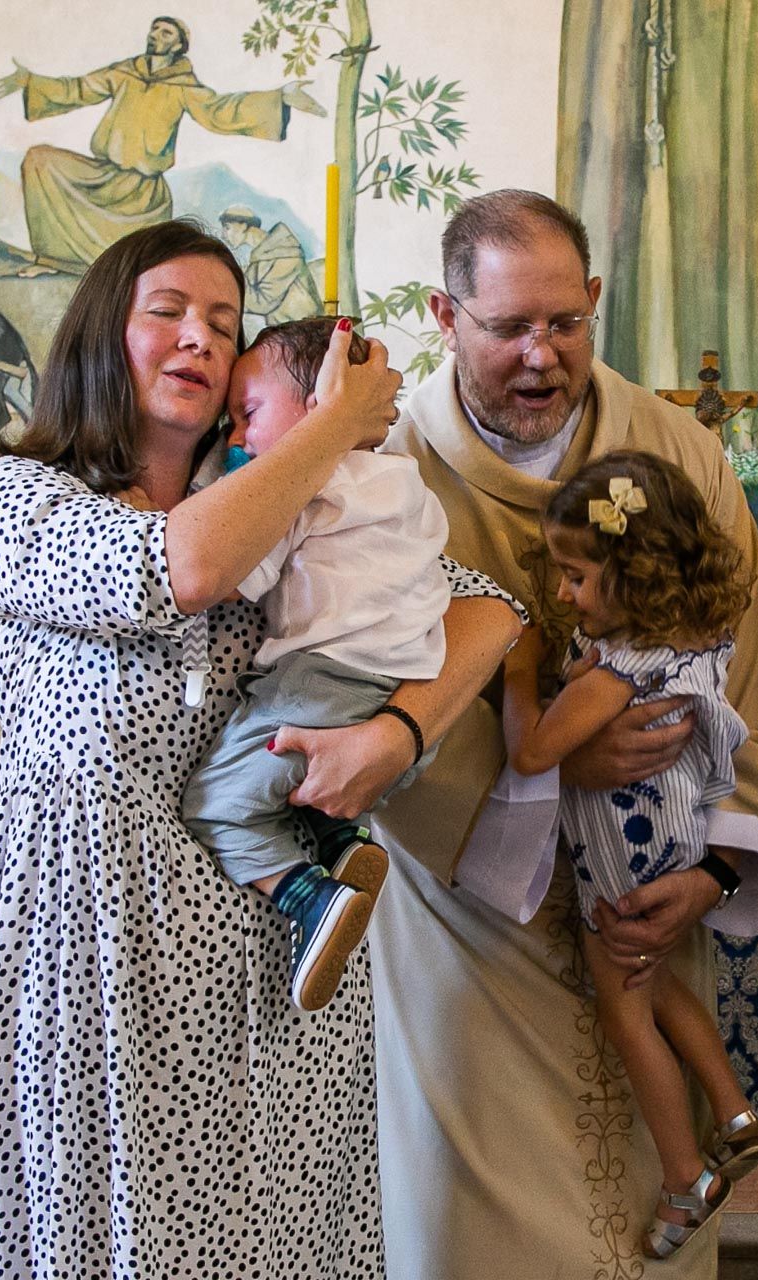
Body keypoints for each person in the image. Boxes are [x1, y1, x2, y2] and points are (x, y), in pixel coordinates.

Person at [0, 218, 521, 1279]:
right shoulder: (12, 499)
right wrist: (338, 419)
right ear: (99, 334)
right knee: (114, 1229)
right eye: (167, 311)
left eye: (223, 322)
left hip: (279, 933)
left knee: (277, 1224)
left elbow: (487, 610)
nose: (199, 338)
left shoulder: (299, 508)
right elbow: (186, 570)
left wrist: (396, 733)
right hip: (100, 931)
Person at [366, 189, 758, 1277]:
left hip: (650, 896)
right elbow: (361, 697)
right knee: (478, 1231)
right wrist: (555, 773)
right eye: (509, 326)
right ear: (445, 315)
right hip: (471, 926)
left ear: (596, 300)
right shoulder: (385, 475)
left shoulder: (680, 453)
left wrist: (712, 869)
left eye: (566, 322)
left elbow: (752, 686)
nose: (542, 354)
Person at [502, 450, 758, 1260]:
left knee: (625, 1012)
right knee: (652, 985)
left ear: (634, 574)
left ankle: (685, 1177)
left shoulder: (618, 669)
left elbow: (533, 753)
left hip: (622, 849)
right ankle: (735, 1113)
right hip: (673, 834)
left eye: (576, 577)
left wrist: (518, 673)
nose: (562, 594)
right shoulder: (694, 636)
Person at [181, 316, 449, 1012]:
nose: (236, 438)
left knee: (216, 805)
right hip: (401, 694)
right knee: (306, 787)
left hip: (320, 685)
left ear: (320, 406)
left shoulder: (306, 490)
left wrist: (222, 486)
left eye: (248, 414)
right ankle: (341, 842)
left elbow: (228, 576)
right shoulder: (404, 483)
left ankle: (311, 899)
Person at [0, 17, 325, 269]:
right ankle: (55, 258)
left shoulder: (183, 86)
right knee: (38, 160)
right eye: (155, 30)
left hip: (141, 195)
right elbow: (79, 89)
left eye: (166, 33)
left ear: (179, 45)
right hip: (102, 175)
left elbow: (220, 111)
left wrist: (280, 97)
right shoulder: (126, 72)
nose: (156, 36)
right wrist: (31, 81)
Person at [220, 205, 321, 330]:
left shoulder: (286, 254)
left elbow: (263, 303)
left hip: (306, 331)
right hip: (285, 331)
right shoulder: (261, 256)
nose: (223, 235)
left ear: (243, 226)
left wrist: (233, 277)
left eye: (227, 227)